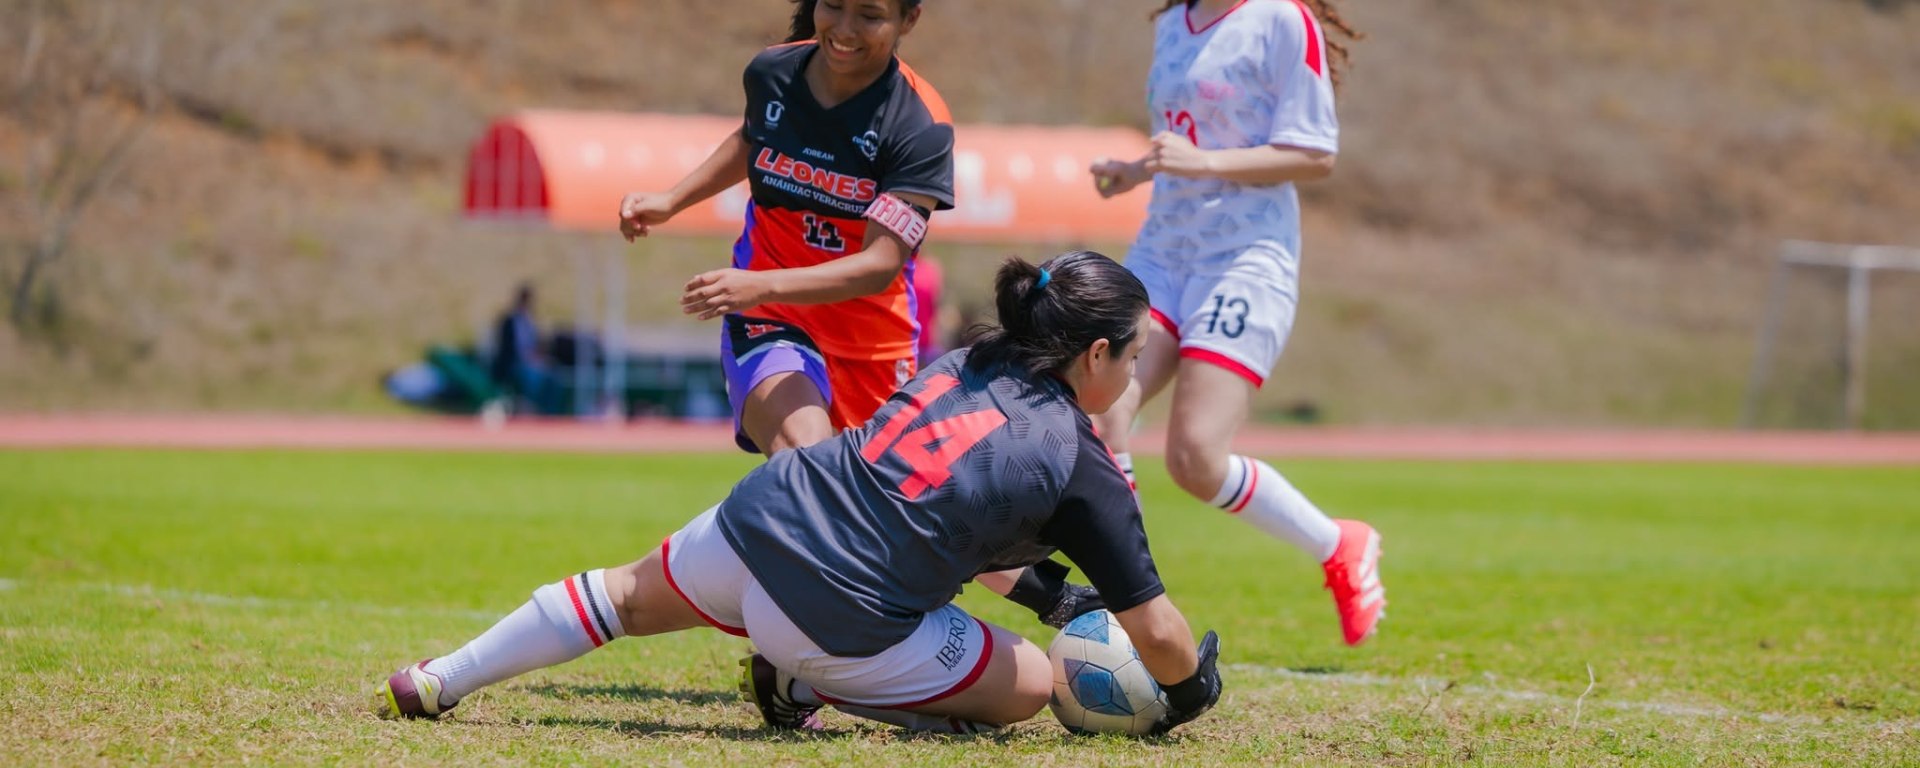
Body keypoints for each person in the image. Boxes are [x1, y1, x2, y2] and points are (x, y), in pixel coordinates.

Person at [372, 251, 1225, 735]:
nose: (1143, 364)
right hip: (837, 611)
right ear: (1098, 356)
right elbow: (1157, 630)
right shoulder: (1078, 463)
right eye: (1139, 349)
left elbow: (947, 522)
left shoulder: (964, 361)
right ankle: (805, 683)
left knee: (619, 597)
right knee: (1032, 685)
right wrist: (1190, 695)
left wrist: (1047, 594)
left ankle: (440, 678)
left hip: (760, 514)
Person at [1088, 0, 1385, 646]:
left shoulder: (1282, 20)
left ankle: (1339, 544)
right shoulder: (1172, 23)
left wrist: (1207, 164)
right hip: (1164, 252)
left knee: (1194, 458)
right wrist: (1133, 173)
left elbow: (1314, 153)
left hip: (1244, 259)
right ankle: (1131, 613)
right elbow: (1191, 139)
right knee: (1101, 415)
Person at [619, 0, 953, 458]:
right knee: (807, 459)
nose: (845, 28)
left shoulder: (920, 125)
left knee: (862, 513)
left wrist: (758, 285)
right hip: (771, 319)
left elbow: (880, 264)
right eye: (832, 5)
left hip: (871, 343)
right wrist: (671, 200)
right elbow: (754, 138)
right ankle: (691, 536)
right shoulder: (772, 73)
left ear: (908, 20)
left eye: (870, 15)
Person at [485, 282, 553, 416]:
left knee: (553, 377)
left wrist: (538, 355)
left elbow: (538, 343)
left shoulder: (531, 321)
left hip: (532, 362)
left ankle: (548, 413)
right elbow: (505, 347)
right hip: (513, 363)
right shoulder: (509, 320)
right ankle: (528, 407)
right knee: (531, 377)